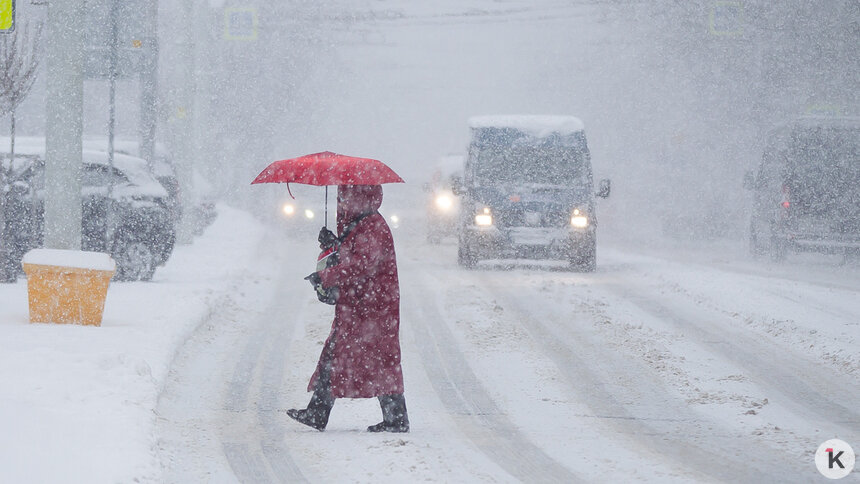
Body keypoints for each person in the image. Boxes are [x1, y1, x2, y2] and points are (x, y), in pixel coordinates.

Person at [287, 184, 409, 433]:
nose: (341, 201)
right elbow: (353, 256)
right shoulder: (362, 223)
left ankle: (394, 418)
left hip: (373, 308)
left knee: (374, 359)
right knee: (349, 356)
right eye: (340, 196)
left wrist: (327, 277)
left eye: (347, 195)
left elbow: (361, 265)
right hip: (361, 306)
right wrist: (333, 244)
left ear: (361, 197)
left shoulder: (372, 225)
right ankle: (319, 412)